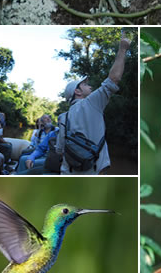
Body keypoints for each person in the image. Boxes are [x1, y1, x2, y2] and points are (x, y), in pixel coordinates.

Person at [57, 31, 132, 174]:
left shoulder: (63, 117)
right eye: (85, 85)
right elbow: (113, 80)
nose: (90, 86)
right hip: (92, 172)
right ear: (77, 92)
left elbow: (60, 150)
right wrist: (123, 49)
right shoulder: (91, 103)